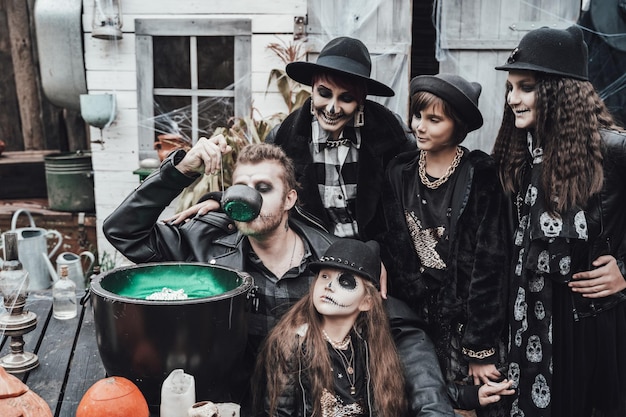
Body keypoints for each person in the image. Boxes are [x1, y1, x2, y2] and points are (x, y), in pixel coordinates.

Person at [102, 140, 455, 416]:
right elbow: (123, 231)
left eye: (263, 187)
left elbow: (402, 331)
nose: (249, 196)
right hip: (228, 406)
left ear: (289, 199)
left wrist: (433, 409)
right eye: (241, 186)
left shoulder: (333, 263)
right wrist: (181, 170)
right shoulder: (203, 248)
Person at [492, 25, 626, 417]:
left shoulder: (614, 149)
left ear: (559, 90)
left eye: (526, 87)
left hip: (589, 323)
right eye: (510, 87)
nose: (513, 98)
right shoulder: (520, 152)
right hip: (528, 319)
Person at [169, 36, 416, 246]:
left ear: (361, 100)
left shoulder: (390, 134)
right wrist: (221, 201)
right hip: (313, 253)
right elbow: (261, 185)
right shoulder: (284, 137)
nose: (332, 108)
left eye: (346, 98)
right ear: (312, 90)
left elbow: (412, 195)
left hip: (376, 255)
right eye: (324, 93)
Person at [380, 73, 511, 415]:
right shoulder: (399, 171)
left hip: (466, 321)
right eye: (418, 116)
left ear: (458, 126)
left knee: (475, 403)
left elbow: (490, 262)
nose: (419, 127)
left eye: (434, 119)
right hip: (416, 316)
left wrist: (479, 348)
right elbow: (394, 244)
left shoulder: (480, 173)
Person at [254, 238, 408, 417]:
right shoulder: (293, 343)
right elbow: (278, 413)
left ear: (367, 302)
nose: (329, 286)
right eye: (324, 276)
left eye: (345, 281)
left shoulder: (367, 342)